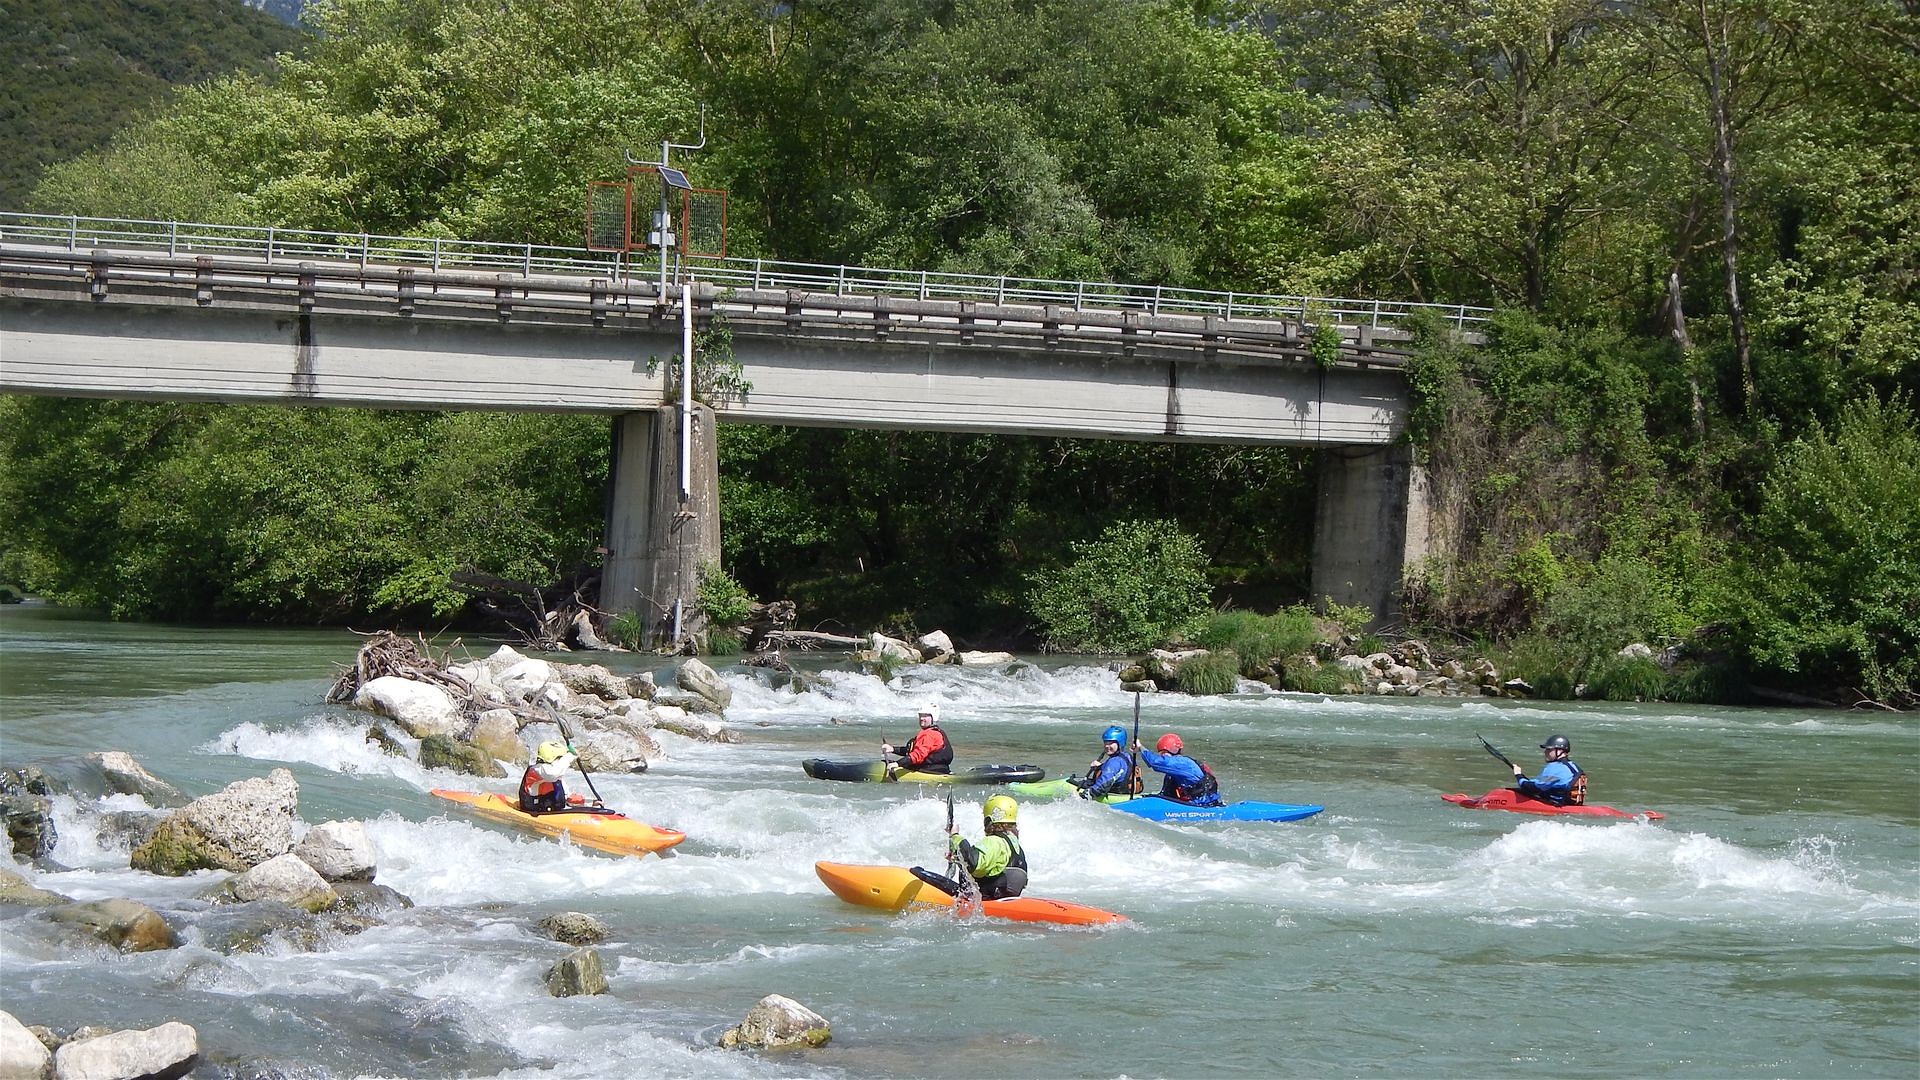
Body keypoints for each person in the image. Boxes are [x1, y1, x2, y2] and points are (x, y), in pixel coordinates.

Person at [910, 794, 1028, 900]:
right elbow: (990, 869)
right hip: (1002, 897)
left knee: (916, 872)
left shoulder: (994, 842)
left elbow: (974, 864)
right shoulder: (1014, 845)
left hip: (983, 898)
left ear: (989, 820)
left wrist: (955, 836)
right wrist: (959, 860)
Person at [1134, 732, 1224, 807]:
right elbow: (1166, 795)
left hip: (1203, 805)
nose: (1162, 756)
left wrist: (1140, 747)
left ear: (1169, 751)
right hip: (1193, 803)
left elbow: (1154, 763)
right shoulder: (1174, 770)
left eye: (1163, 753)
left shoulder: (1182, 763)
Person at [1511, 733, 1586, 806]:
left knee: (1514, 791)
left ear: (1560, 751)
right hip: (1570, 804)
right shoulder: (1574, 766)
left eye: (1549, 749)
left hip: (1556, 805)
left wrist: (1519, 776)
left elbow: (1533, 788)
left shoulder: (1556, 767)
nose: (1545, 752)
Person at [1066, 725, 1136, 799]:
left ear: (1120, 743)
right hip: (1124, 792)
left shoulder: (1114, 762)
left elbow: (1102, 785)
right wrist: (1101, 767)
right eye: (1105, 742)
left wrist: (1083, 796)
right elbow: (1118, 773)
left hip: (1114, 794)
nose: (1106, 746)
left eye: (1110, 743)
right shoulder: (1127, 756)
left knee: (1071, 781)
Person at [881, 704, 953, 776]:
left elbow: (918, 755)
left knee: (885, 763)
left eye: (925, 716)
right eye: (920, 715)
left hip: (930, 770)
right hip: (938, 769)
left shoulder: (930, 734)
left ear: (933, 718)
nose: (921, 718)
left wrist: (897, 763)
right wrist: (892, 749)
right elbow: (912, 751)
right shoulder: (935, 732)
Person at [519, 740, 576, 814]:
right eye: (560, 758)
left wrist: (570, 797)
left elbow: (559, 782)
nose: (561, 761)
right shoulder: (536, 770)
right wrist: (570, 756)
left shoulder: (554, 773)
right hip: (533, 810)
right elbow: (552, 774)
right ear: (551, 758)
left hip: (551, 809)